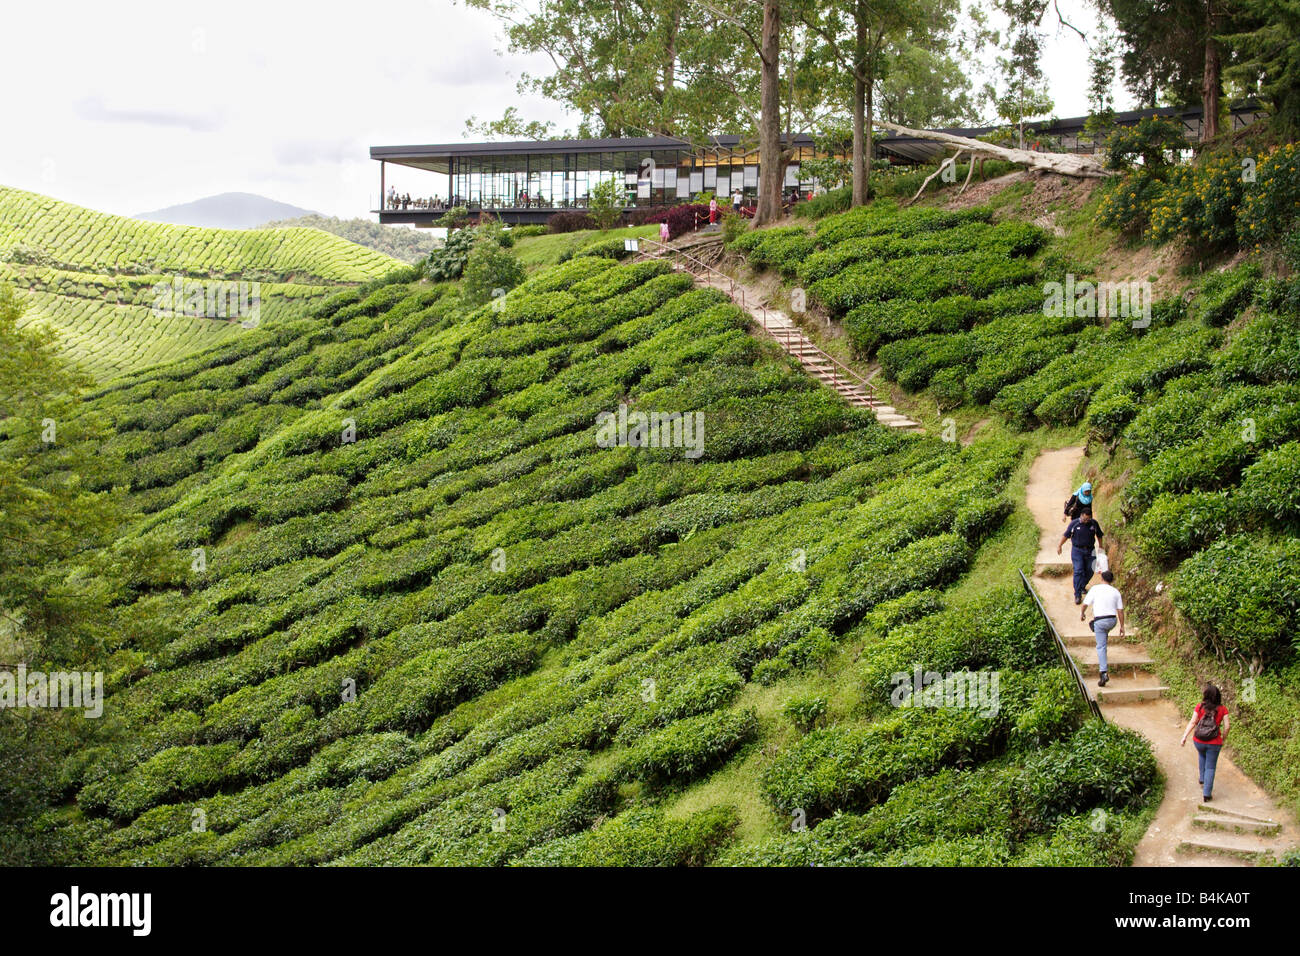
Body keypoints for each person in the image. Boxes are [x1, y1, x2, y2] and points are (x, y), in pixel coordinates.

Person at [1181, 683, 1229, 802]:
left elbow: (1192, 722)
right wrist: (1223, 738)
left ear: (1205, 695)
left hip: (1199, 740)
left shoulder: (1200, 707)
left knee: (1202, 755)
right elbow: (1227, 727)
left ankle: (1202, 778)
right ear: (1218, 696)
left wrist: (1184, 736)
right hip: (1214, 742)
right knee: (1210, 767)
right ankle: (1207, 794)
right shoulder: (1222, 709)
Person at [1081, 569, 1125, 687]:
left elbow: (1085, 604)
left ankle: (1103, 672)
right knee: (1102, 632)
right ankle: (1101, 636)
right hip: (1112, 620)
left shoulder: (1095, 589)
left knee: (1101, 646)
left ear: (1101, 579)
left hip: (1100, 621)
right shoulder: (1116, 591)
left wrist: (1082, 613)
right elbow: (1120, 611)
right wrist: (1122, 626)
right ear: (1112, 580)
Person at [1057, 507, 1104, 604]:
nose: (1086, 521)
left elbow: (1099, 535)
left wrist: (1101, 546)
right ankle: (1077, 594)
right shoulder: (1074, 523)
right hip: (1077, 550)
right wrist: (1060, 545)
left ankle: (1082, 585)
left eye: (1088, 519)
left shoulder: (1093, 523)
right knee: (1078, 570)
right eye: (1085, 519)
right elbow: (1066, 535)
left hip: (1090, 550)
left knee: (1091, 569)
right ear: (1081, 515)